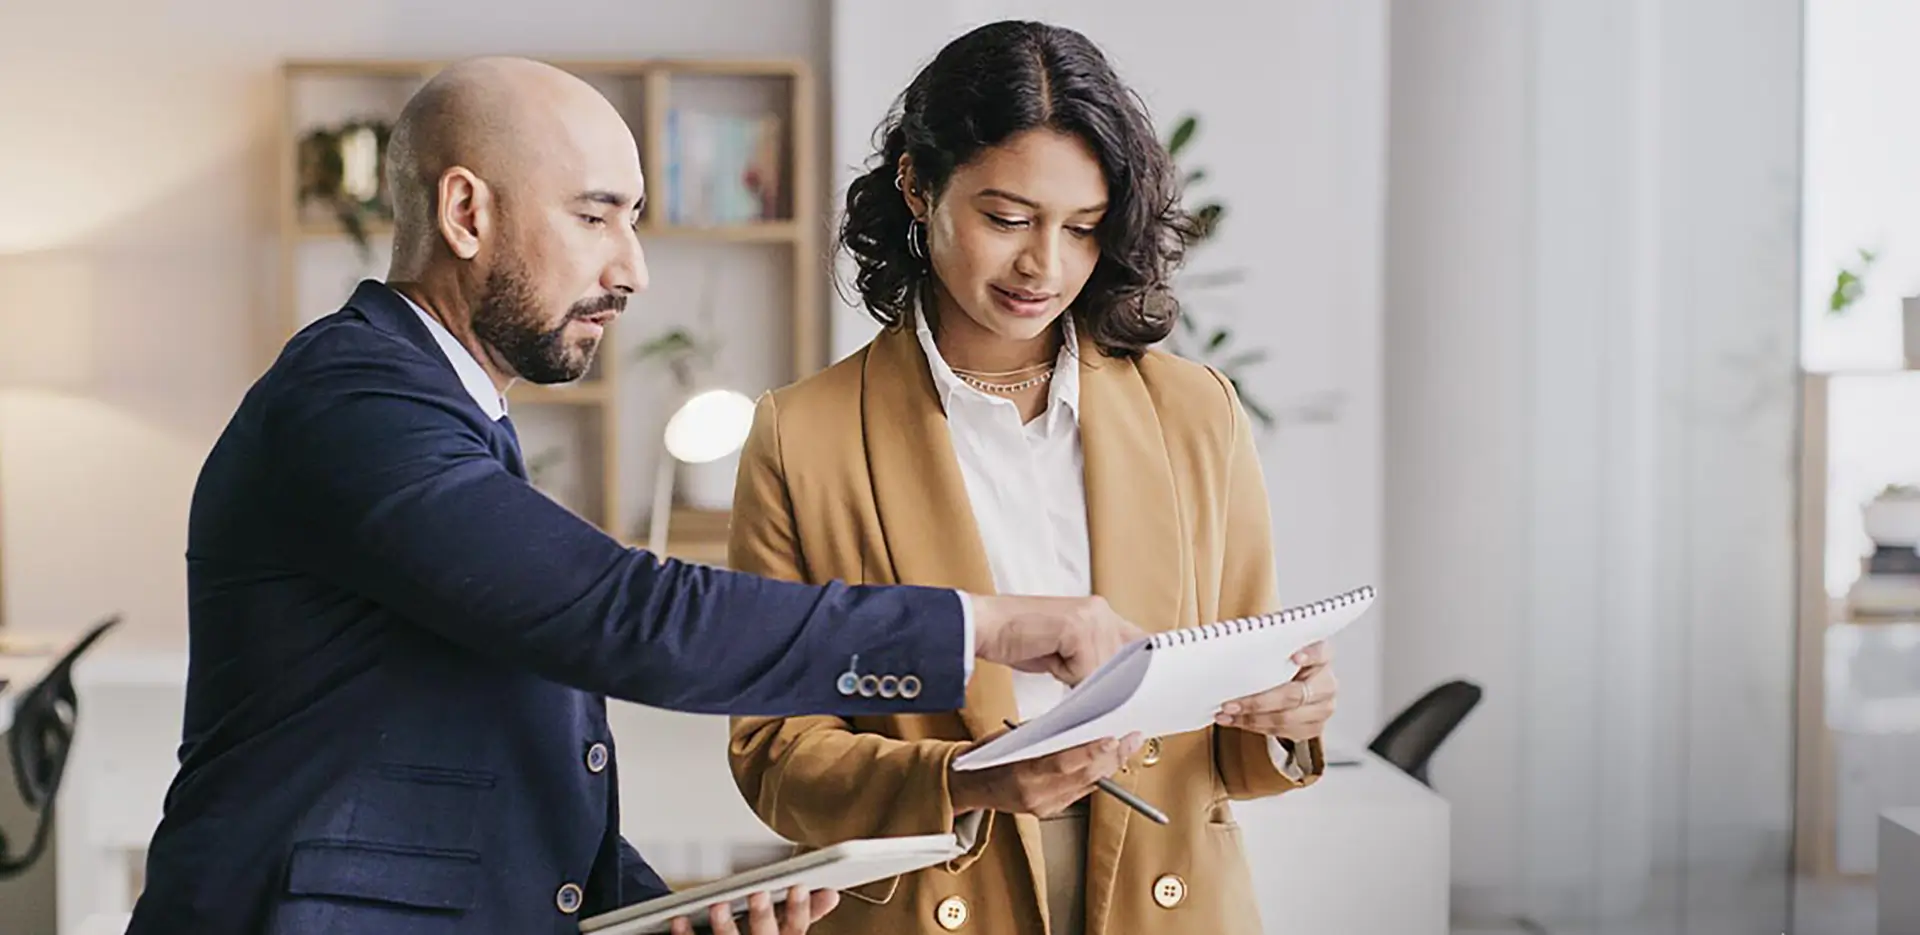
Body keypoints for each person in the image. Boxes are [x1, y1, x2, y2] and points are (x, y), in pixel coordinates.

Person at [124, 55, 1147, 935]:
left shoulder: (442, 407)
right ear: (466, 212)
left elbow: (480, 759)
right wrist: (987, 625)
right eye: (594, 215)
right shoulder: (353, 402)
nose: (634, 267)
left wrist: (664, 910)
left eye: (637, 219)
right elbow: (630, 614)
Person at [725, 21, 1340, 935]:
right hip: (937, 894)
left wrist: (1288, 712)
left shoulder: (1196, 411)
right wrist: (964, 776)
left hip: (1167, 900)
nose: (1042, 266)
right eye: (1006, 218)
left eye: (1082, 228)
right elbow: (777, 755)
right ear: (917, 186)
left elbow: (1237, 745)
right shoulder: (802, 435)